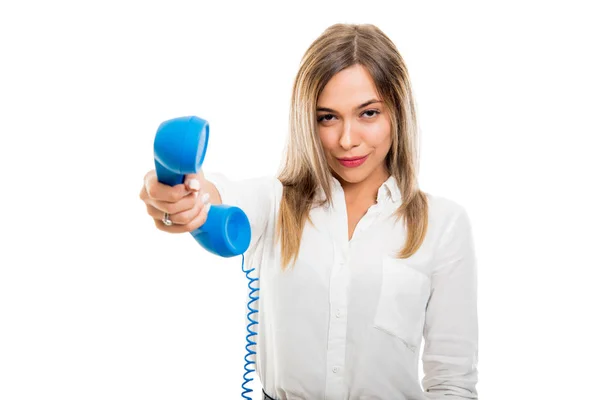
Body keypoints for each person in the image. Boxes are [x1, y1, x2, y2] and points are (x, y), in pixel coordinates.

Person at [139, 23, 478, 400]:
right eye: (327, 117)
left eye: (368, 113)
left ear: (397, 113)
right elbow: (217, 196)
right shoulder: (274, 203)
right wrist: (182, 193)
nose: (347, 140)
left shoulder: (444, 225)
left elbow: (452, 384)